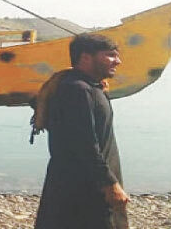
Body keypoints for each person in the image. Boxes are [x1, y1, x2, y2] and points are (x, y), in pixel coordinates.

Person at [34, 33, 130, 229]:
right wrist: (109, 184)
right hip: (82, 190)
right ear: (86, 57)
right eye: (110, 55)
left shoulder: (88, 87)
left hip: (84, 185)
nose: (118, 61)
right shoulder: (76, 90)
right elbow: (84, 143)